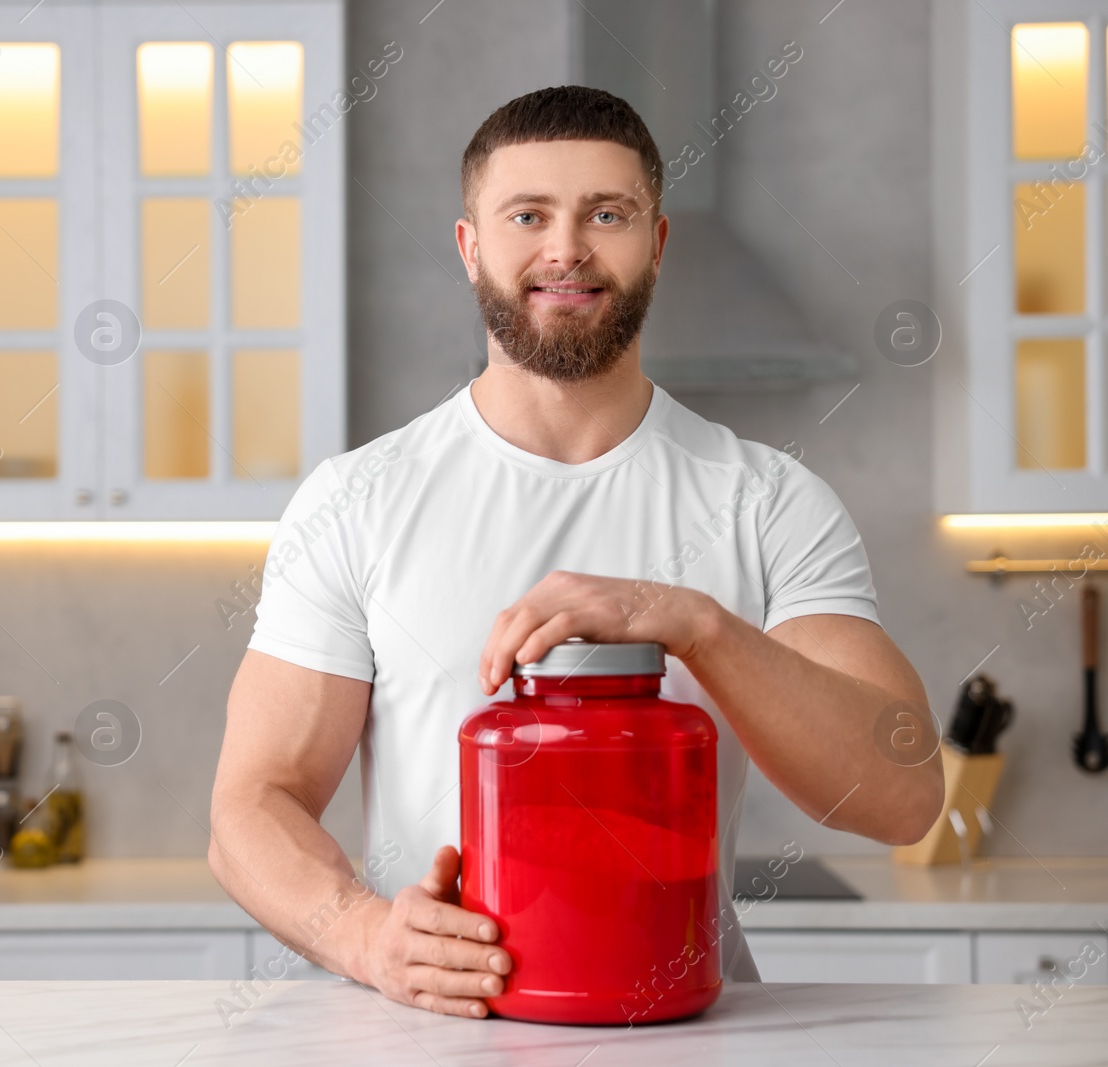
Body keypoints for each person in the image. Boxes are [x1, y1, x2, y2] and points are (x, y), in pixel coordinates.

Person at [209, 85, 942, 1020]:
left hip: (686, 1028)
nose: (566, 248)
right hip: (444, 1033)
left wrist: (694, 623)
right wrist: (365, 936)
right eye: (528, 215)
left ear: (658, 244)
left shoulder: (768, 502)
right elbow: (250, 808)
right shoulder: (356, 500)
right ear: (471, 244)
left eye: (607, 213)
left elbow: (904, 793)